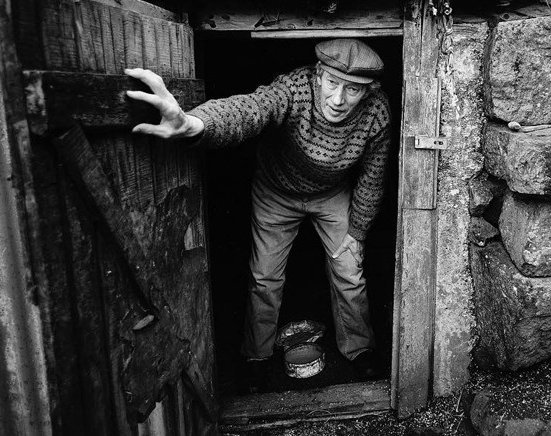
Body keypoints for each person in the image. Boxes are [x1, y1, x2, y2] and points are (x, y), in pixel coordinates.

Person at [125, 39, 391, 390]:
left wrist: (357, 232)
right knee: (265, 276)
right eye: (331, 83)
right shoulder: (294, 89)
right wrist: (195, 124)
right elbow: (252, 109)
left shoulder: (377, 113)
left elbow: (373, 178)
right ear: (318, 75)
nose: (338, 99)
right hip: (276, 191)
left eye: (353, 89)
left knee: (349, 271)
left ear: (369, 90)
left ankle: (359, 350)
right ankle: (257, 355)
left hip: (331, 193)